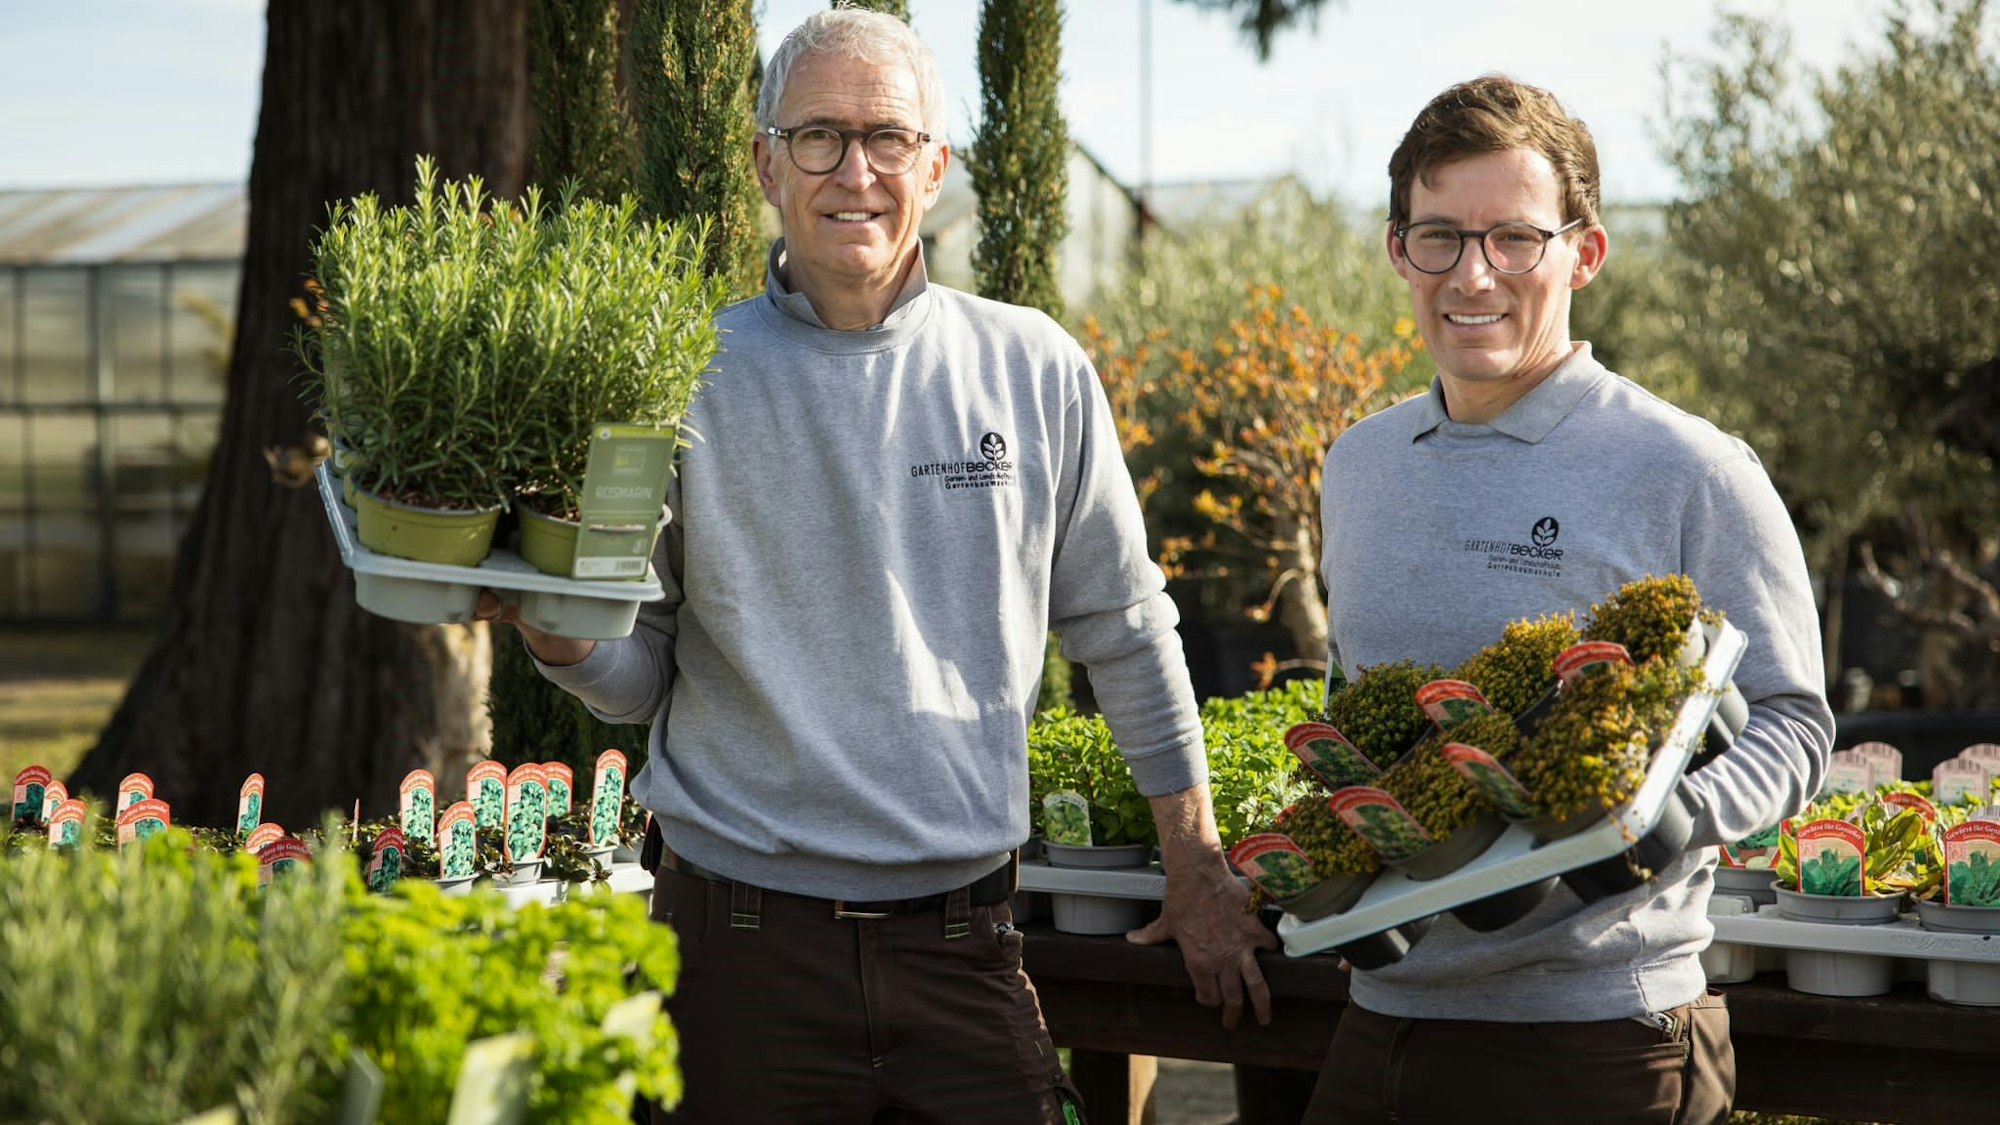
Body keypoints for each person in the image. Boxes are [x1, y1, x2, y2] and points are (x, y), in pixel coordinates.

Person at [479, 9, 1274, 1123]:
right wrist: (559, 637)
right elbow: (641, 675)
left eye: (887, 138)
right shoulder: (676, 380)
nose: (855, 170)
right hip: (737, 956)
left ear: (936, 166)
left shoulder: (1030, 368)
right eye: (817, 137)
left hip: (966, 950)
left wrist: (1192, 866)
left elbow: (1126, 629)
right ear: (764, 163)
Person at [1305, 76, 1834, 1125]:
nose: (1472, 275)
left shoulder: (1685, 467)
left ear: (1581, 254)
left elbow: (1791, 722)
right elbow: (1361, 700)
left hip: (1597, 1038)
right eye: (1439, 237)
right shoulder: (1356, 466)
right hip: (1380, 1016)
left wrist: (1665, 821)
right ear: (1395, 249)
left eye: (1513, 238)